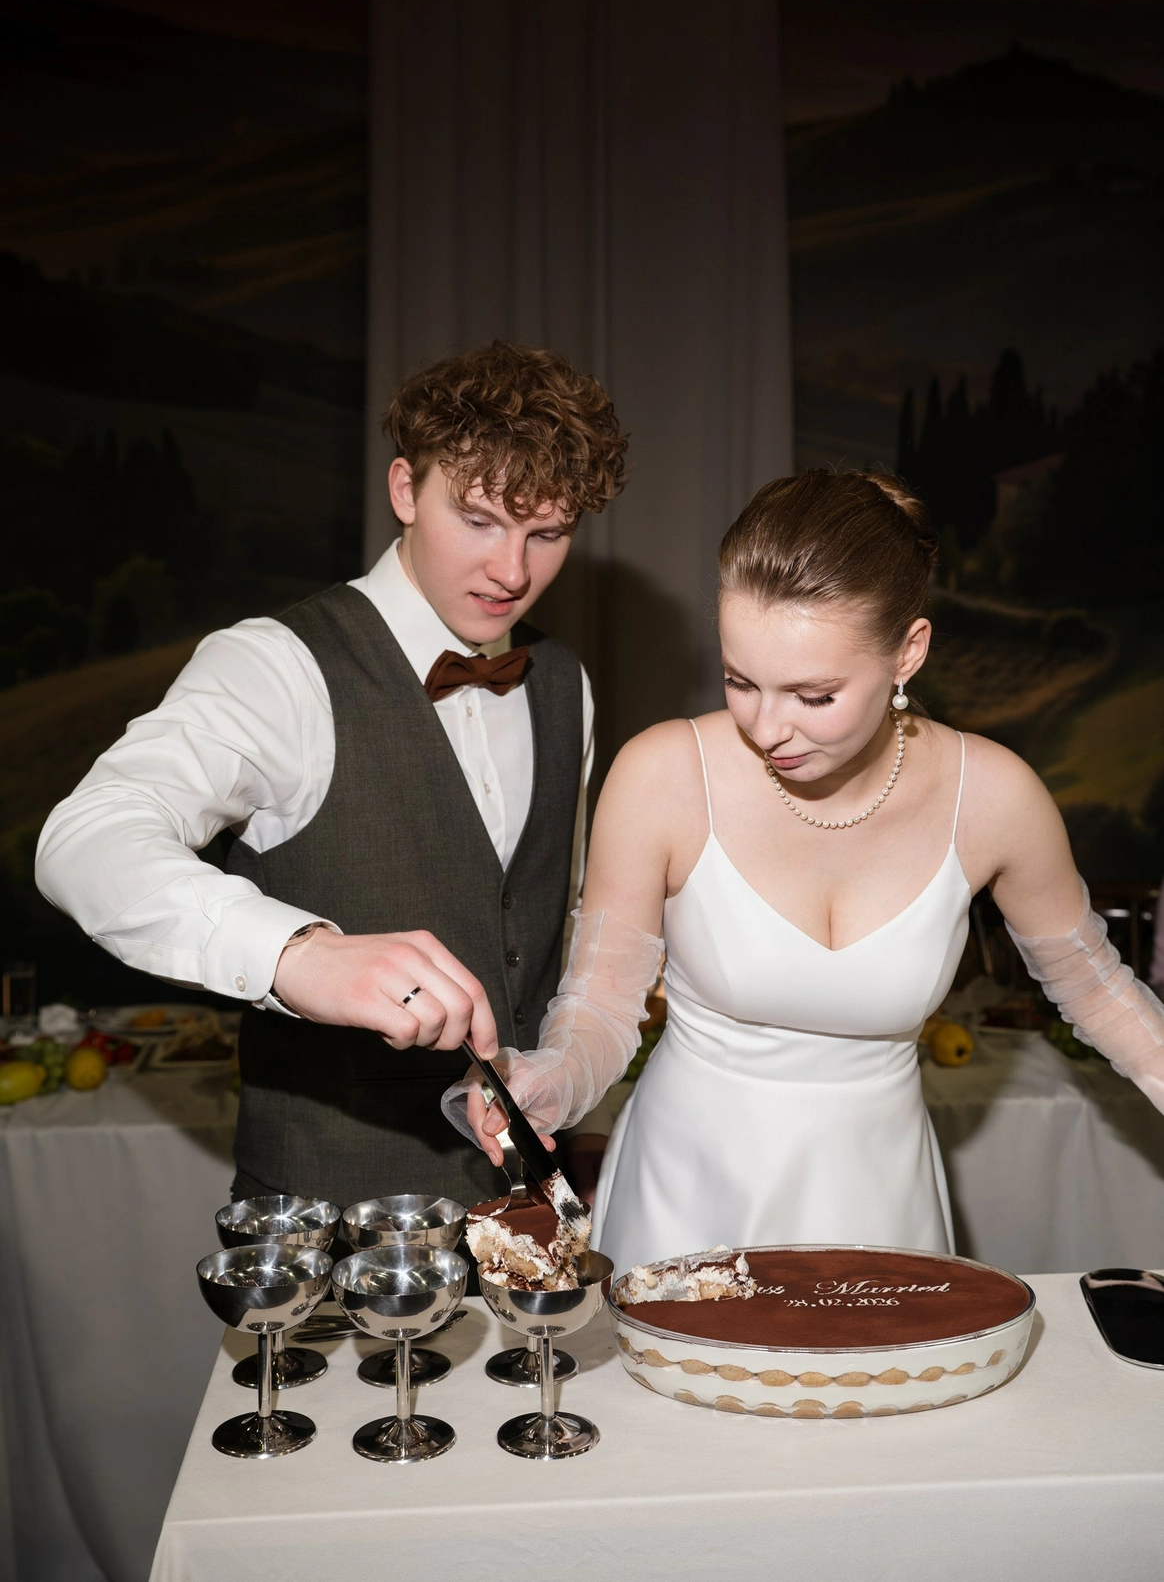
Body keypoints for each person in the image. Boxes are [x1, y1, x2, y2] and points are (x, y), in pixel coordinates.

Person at [458, 468, 1164, 1274]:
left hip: (882, 1201)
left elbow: (1098, 992)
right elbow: (600, 1007)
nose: (768, 728)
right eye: (740, 681)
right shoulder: (663, 774)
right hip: (688, 1198)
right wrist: (550, 1080)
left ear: (908, 652)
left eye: (814, 696)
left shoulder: (995, 797)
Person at [36, 341, 628, 1212]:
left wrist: (570, 1081)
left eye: (547, 534)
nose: (512, 572)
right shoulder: (273, 667)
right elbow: (84, 841)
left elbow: (556, 923)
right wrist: (295, 953)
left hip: (526, 1208)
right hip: (325, 1229)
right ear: (405, 490)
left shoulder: (564, 682)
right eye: (478, 520)